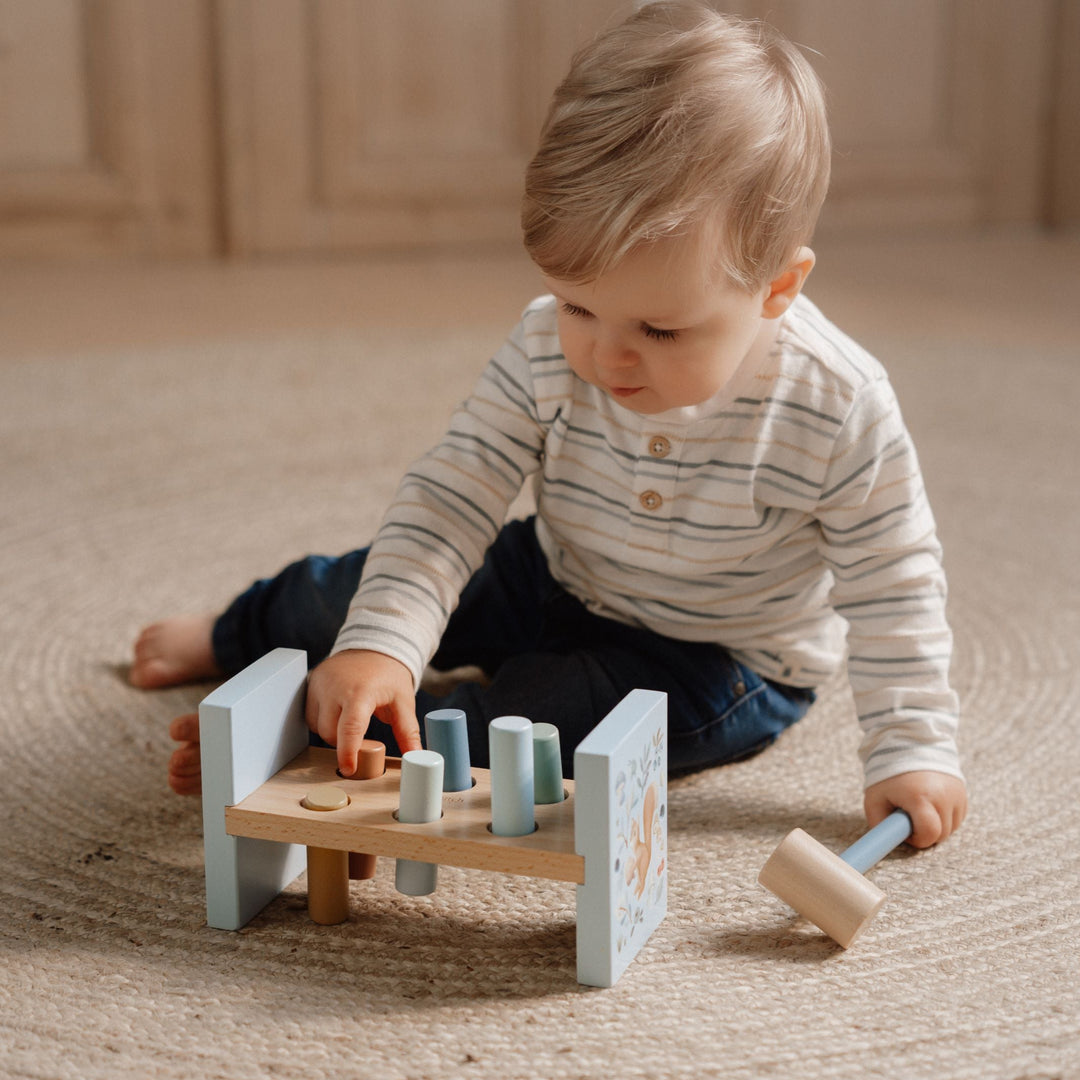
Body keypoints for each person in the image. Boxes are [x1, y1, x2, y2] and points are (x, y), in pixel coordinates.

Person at [132, 1, 966, 848]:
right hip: (557, 569)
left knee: (533, 727)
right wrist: (383, 641)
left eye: (661, 330)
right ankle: (238, 631)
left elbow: (895, 585)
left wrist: (913, 746)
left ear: (777, 290)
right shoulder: (544, 345)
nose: (606, 357)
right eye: (579, 304)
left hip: (715, 658)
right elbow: (455, 492)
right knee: (340, 598)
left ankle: (322, 746)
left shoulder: (838, 403)